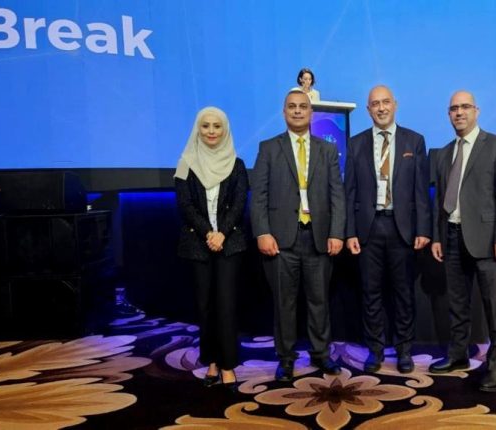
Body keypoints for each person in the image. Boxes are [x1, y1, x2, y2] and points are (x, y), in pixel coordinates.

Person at [250, 90, 345, 382]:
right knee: (285, 304)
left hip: (318, 237)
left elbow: (337, 195)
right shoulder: (269, 148)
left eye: (303, 106)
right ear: (284, 112)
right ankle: (286, 359)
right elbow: (259, 195)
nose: (297, 111)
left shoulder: (327, 150)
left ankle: (321, 354)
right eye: (291, 106)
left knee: (319, 302)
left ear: (311, 112)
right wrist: (262, 232)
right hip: (281, 240)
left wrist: (337, 232)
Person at [428, 91, 496, 393]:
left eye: (465, 107)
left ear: (476, 111)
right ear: (448, 114)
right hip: (452, 237)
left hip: (487, 241)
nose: (459, 112)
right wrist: (438, 237)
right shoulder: (443, 153)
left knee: (495, 308)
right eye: (454, 108)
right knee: (457, 304)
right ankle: (458, 355)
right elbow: (440, 201)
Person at [344, 85, 431, 374]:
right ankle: (376, 350)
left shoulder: (414, 141)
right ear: (368, 109)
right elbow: (349, 192)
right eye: (375, 104)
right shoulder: (355, 144)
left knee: (403, 293)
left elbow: (421, 191)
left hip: (401, 228)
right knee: (370, 293)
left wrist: (423, 229)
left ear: (395, 105)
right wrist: (349, 232)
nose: (381, 108)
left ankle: (404, 350)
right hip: (367, 228)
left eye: (385, 102)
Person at [174, 106, 249, 392]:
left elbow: (239, 204)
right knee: (205, 307)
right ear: (198, 128)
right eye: (205, 126)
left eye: (217, 126)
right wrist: (208, 233)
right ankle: (212, 362)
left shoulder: (237, 165)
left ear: (225, 129)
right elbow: (185, 205)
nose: (211, 131)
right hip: (198, 244)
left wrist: (222, 234)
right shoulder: (186, 163)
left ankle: (228, 364)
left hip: (230, 244)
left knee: (226, 306)